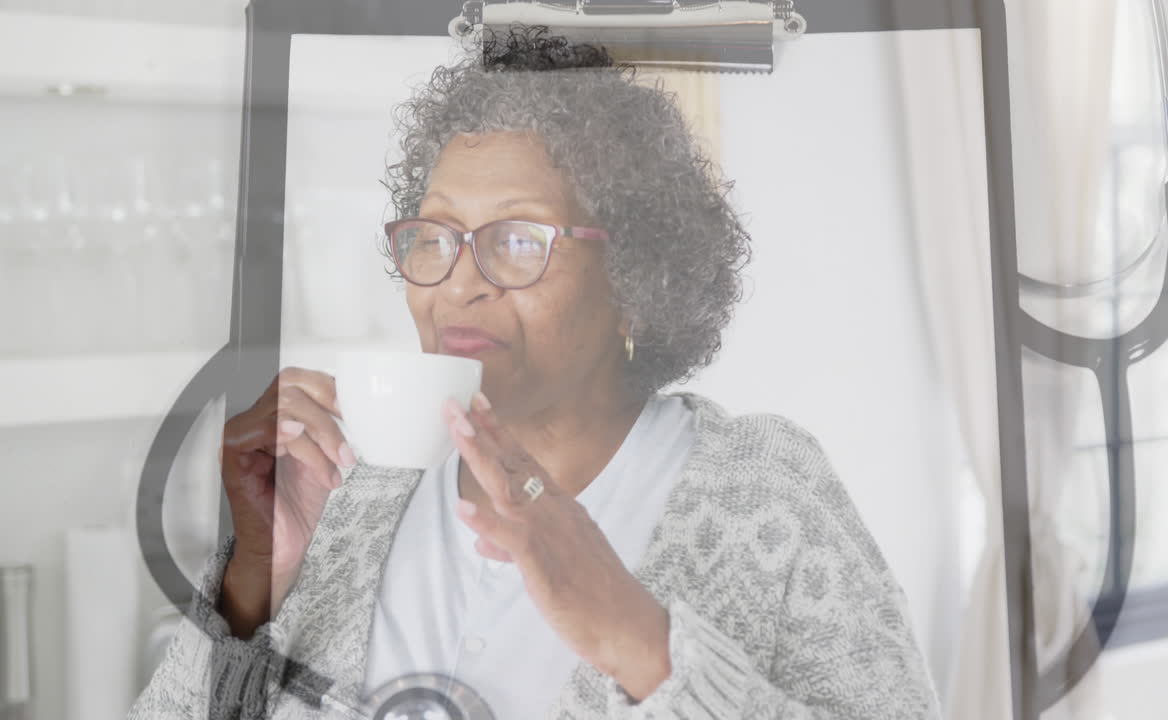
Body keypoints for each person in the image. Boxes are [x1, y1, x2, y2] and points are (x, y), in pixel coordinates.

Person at [130, 26, 940, 719]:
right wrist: (253, 580)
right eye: (434, 237)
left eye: (519, 240)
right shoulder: (346, 489)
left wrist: (638, 641)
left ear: (634, 279)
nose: (458, 283)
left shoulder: (763, 493)